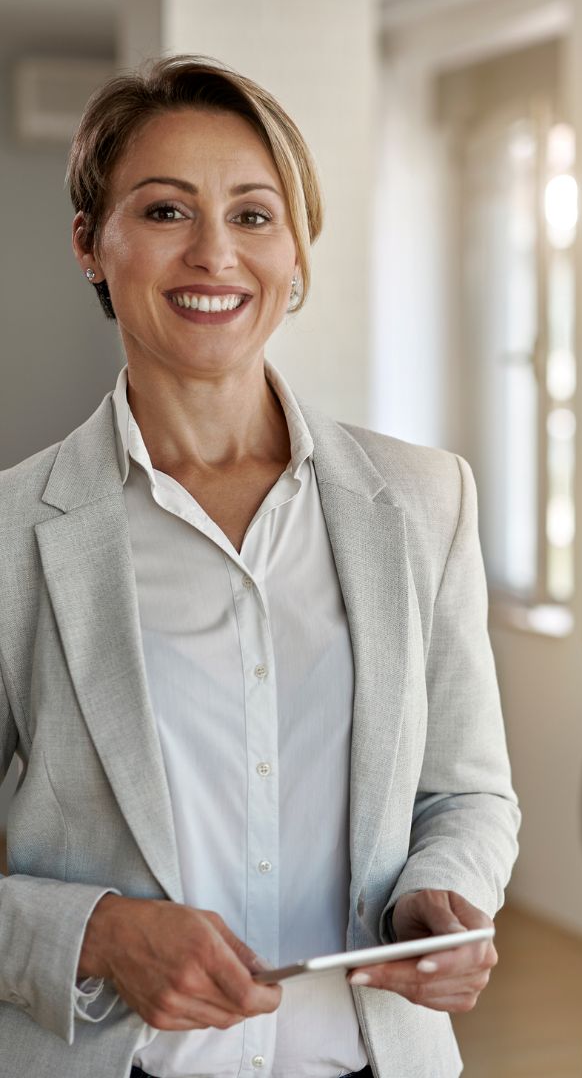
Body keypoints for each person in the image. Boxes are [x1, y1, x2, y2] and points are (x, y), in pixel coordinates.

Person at [0, 55, 519, 1078]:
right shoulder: (14, 531)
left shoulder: (423, 502)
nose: (212, 255)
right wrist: (96, 934)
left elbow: (469, 793)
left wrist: (445, 896)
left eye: (252, 215)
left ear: (297, 254)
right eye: (162, 212)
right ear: (90, 246)